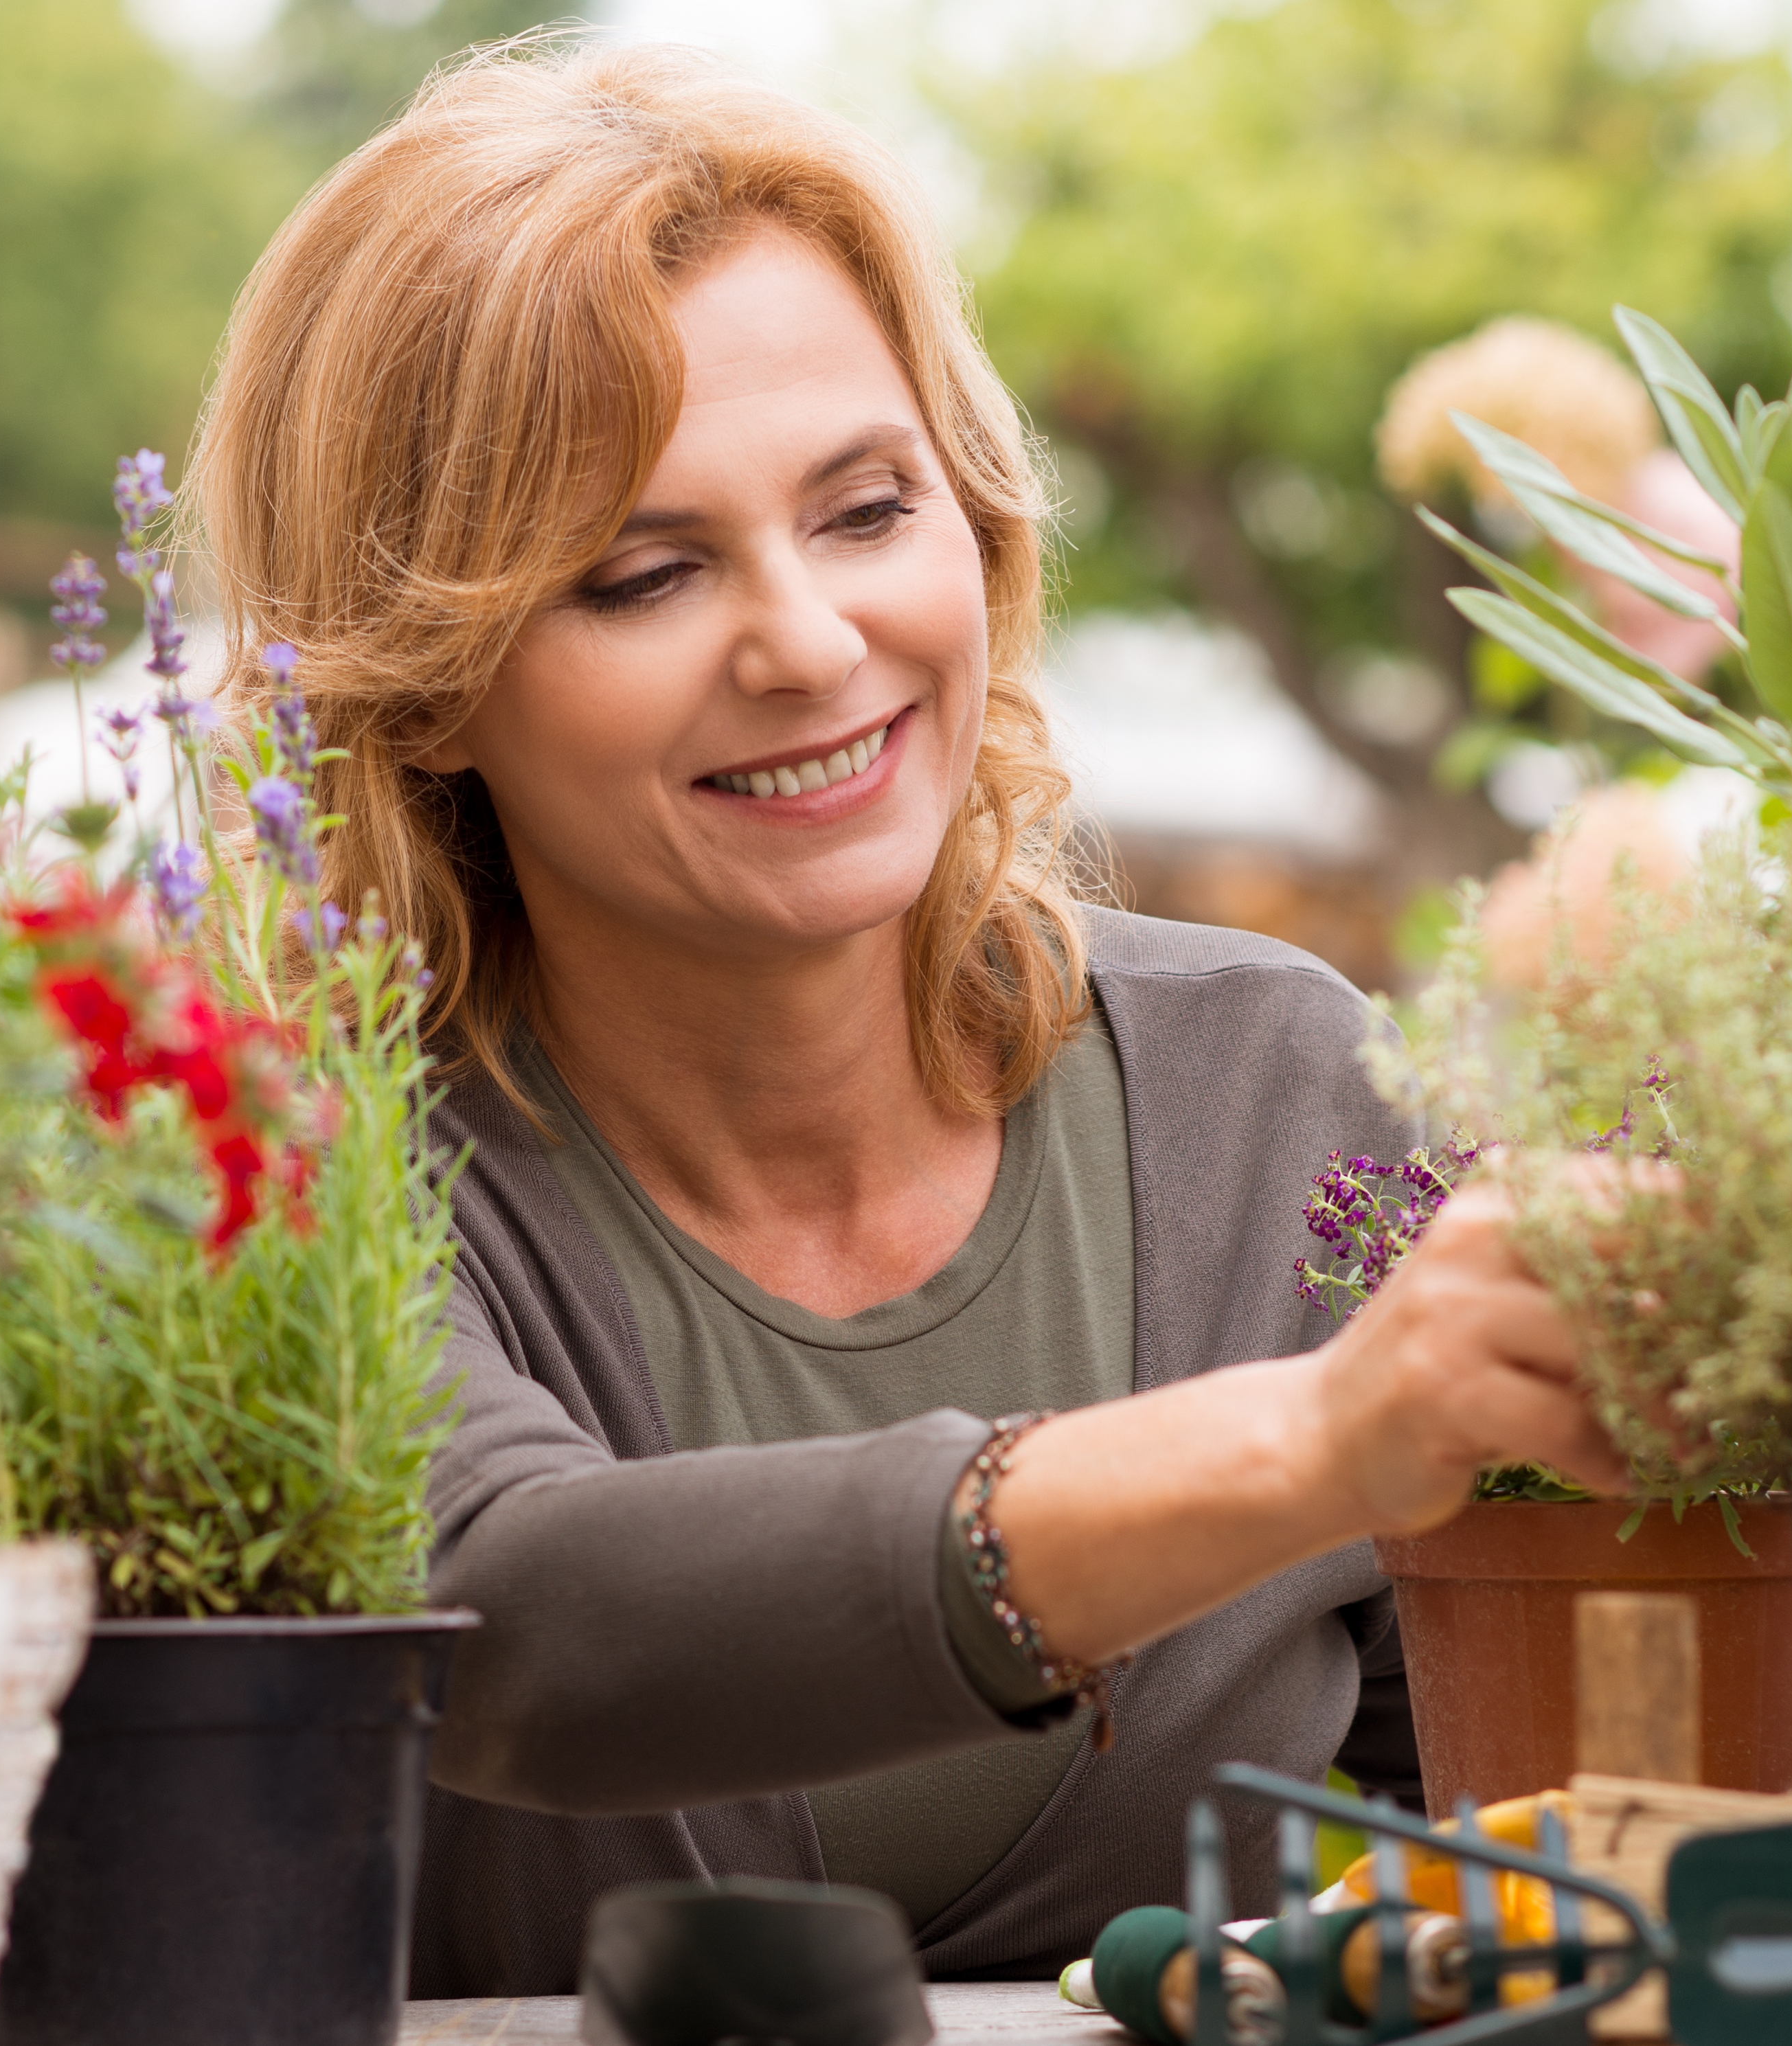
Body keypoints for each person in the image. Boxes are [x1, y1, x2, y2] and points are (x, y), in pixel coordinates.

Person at [181, 37, 1622, 1998]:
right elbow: (509, 1623)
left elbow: (1465, 1842)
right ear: (426, 686)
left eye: (866, 509)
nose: (808, 640)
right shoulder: (292, 1186)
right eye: (642, 573)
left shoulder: (1282, 1089)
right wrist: (1319, 1437)